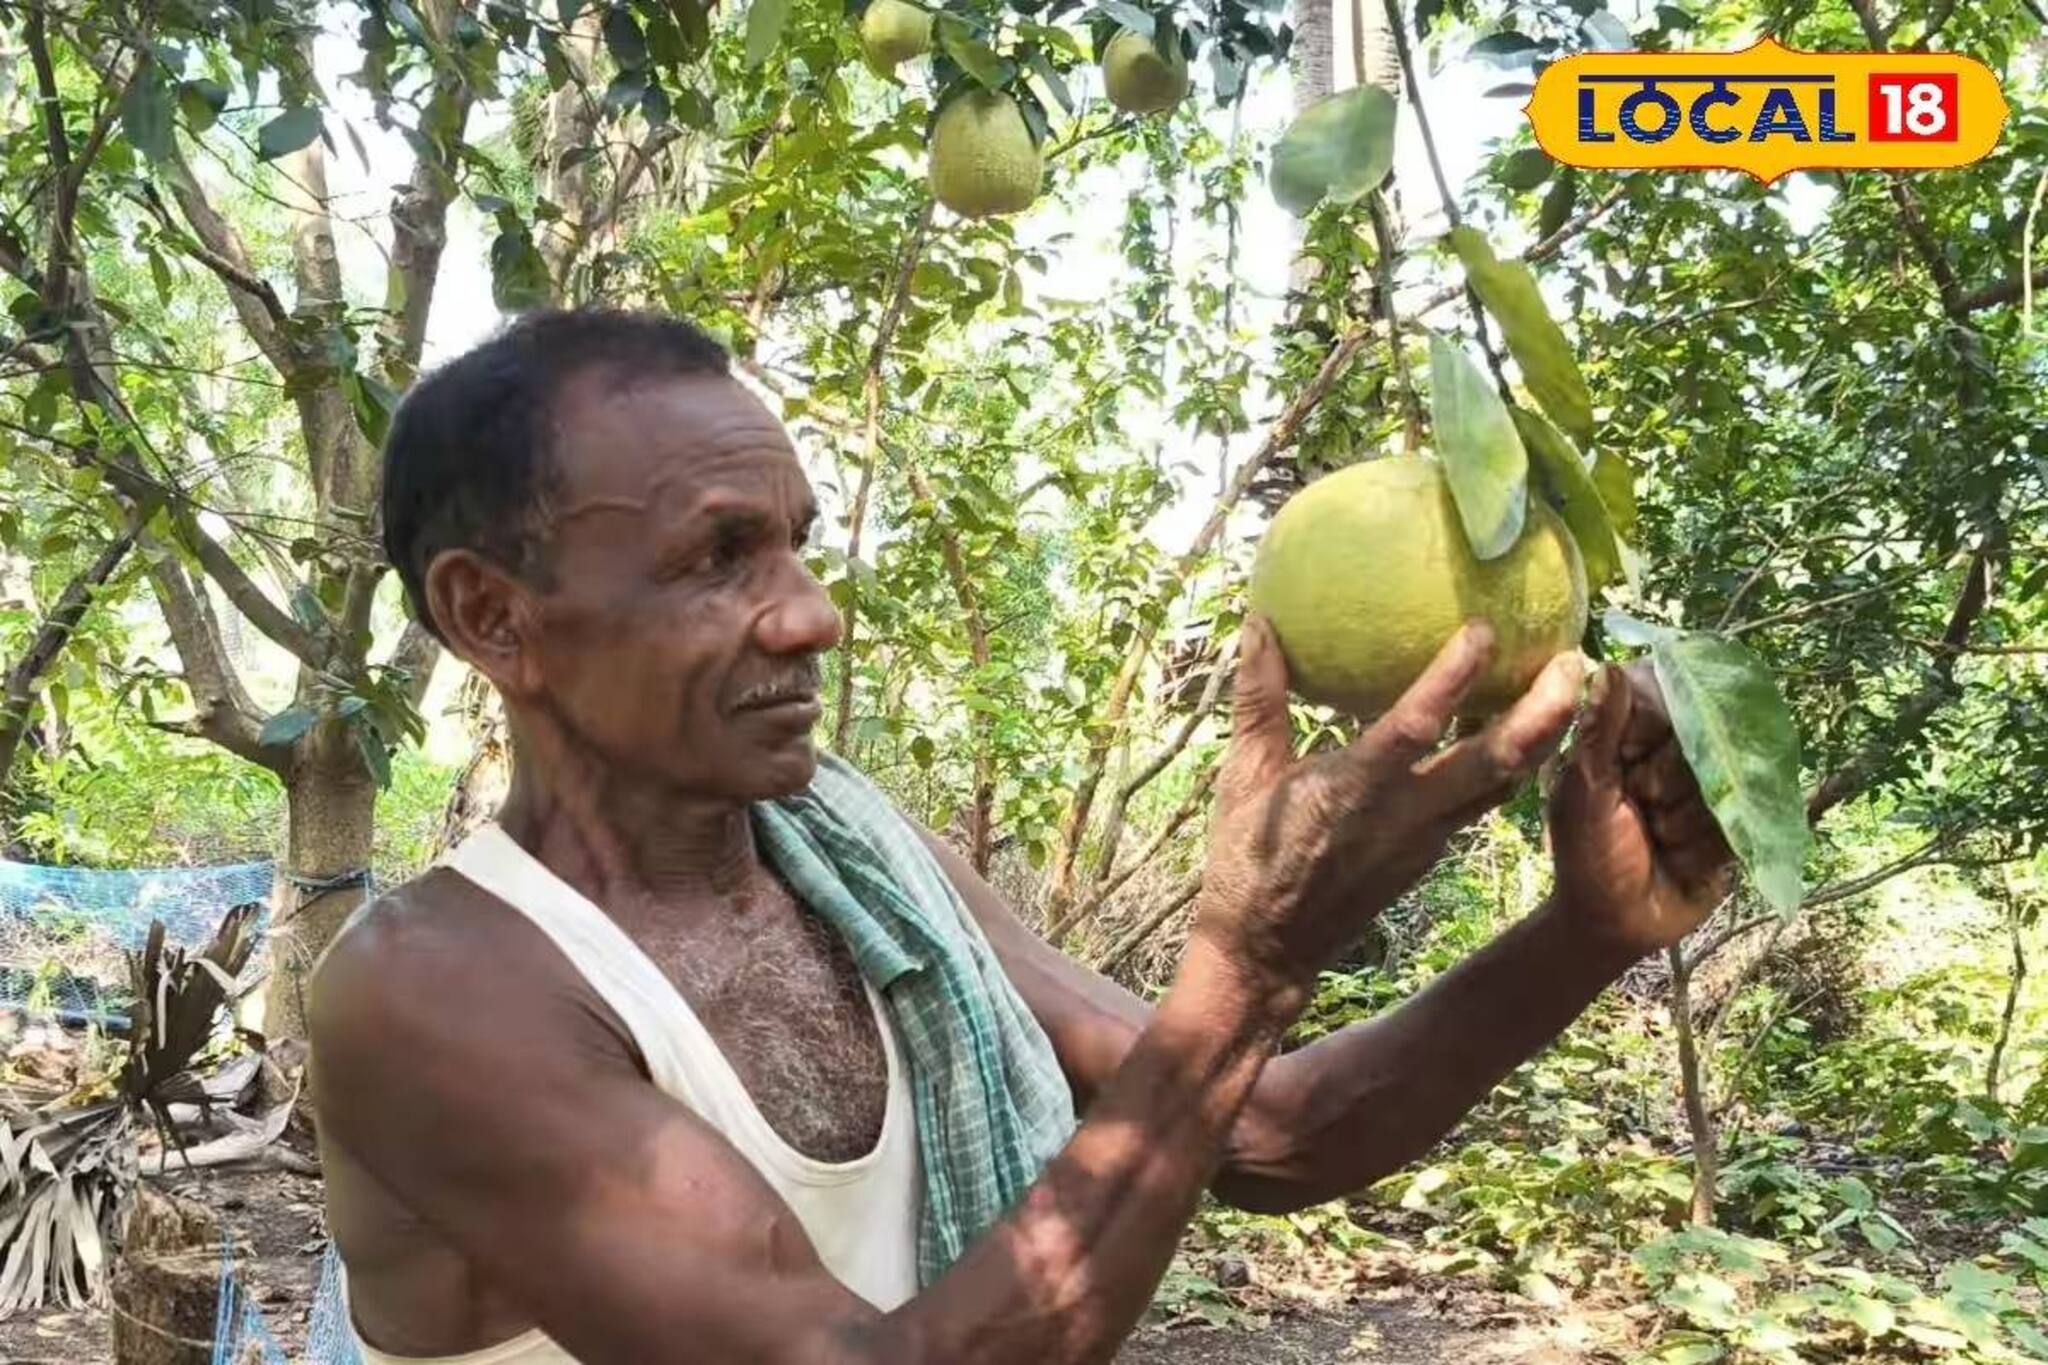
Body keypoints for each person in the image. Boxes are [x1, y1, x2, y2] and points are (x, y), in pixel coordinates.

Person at [309, 308, 1732, 1365]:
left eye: (798, 543)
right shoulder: (437, 994)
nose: (810, 614)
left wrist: (1585, 933)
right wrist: (1249, 962)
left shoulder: (848, 844)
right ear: (493, 616)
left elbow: (1264, 1130)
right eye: (717, 555)